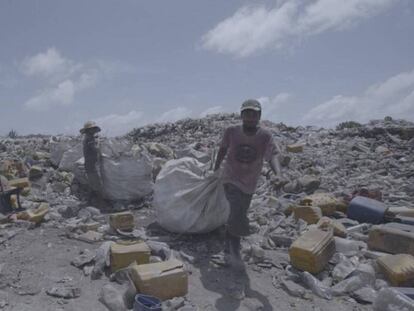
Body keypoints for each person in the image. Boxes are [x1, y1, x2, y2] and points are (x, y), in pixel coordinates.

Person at [214, 99, 282, 271]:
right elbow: (223, 149)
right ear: (241, 115)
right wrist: (215, 169)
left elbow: (272, 156)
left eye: (254, 114)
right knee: (237, 213)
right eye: (247, 114)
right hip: (230, 178)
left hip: (249, 182)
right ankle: (235, 253)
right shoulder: (232, 131)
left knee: (237, 214)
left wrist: (279, 175)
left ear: (259, 116)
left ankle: (228, 247)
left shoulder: (265, 136)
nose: (250, 118)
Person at [80, 121, 105, 208]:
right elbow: (96, 149)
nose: (93, 130)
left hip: (89, 164)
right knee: (98, 184)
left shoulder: (87, 138)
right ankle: (101, 204)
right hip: (92, 165)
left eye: (94, 129)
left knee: (92, 183)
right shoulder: (90, 139)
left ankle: (89, 201)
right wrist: (99, 143)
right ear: (89, 130)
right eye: (92, 129)